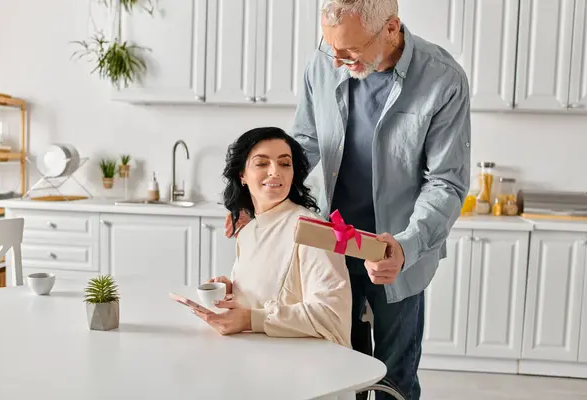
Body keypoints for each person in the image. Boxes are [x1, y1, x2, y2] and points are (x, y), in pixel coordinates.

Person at [225, 1, 471, 399]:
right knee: (336, 372)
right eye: (330, 47)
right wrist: (250, 199)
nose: (336, 60)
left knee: (395, 380)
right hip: (329, 246)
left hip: (396, 251)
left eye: (349, 51)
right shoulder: (324, 60)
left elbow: (446, 182)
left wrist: (404, 248)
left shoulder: (443, 80)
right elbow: (303, 144)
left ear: (391, 28)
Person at [196, 126, 353, 349]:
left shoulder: (314, 230)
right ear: (242, 175)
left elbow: (331, 315)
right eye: (262, 163)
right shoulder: (248, 231)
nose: (275, 172)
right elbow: (267, 300)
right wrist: (235, 291)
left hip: (307, 364)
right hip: (259, 353)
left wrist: (250, 319)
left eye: (284, 163)